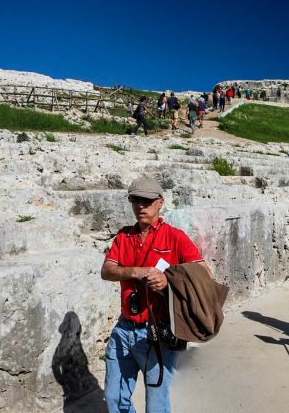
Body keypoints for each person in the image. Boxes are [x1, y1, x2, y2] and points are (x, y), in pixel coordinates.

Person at [100, 175, 208, 413]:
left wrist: (168, 279)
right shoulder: (124, 236)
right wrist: (136, 272)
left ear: (160, 202)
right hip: (124, 328)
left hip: (157, 331)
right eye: (135, 200)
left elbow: (203, 272)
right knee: (114, 398)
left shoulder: (175, 237)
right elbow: (107, 271)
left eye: (147, 201)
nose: (140, 206)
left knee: (156, 403)